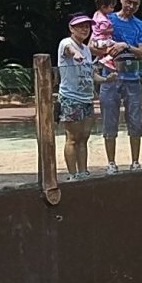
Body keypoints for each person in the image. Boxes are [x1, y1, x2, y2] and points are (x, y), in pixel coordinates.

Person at [100, 0, 142, 169]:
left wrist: (125, 45)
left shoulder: (141, 26)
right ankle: (111, 163)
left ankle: (135, 161)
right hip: (110, 77)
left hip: (132, 78)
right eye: (128, 1)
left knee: (135, 121)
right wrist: (111, 46)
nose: (131, 6)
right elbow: (95, 44)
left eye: (135, 3)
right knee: (109, 121)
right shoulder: (107, 19)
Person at [55, 11, 101, 177]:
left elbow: (91, 74)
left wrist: (106, 79)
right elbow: (68, 51)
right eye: (80, 26)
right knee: (72, 138)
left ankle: (83, 172)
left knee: (84, 137)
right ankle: (72, 174)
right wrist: (75, 54)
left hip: (87, 98)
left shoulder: (87, 50)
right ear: (71, 28)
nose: (85, 29)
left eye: (87, 26)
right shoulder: (66, 43)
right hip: (70, 98)